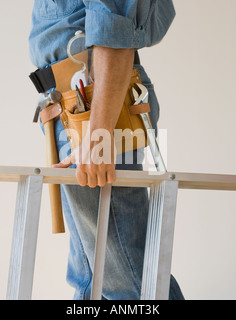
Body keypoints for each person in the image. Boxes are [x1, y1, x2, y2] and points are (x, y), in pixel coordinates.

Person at [29, 0, 184, 300]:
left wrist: (97, 135)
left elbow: (113, 26)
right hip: (72, 107)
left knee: (132, 282)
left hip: (93, 109)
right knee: (91, 279)